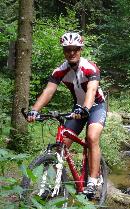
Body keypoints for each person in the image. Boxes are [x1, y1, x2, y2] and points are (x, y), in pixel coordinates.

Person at [27, 32, 107, 197]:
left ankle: (92, 182)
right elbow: (48, 92)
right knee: (62, 145)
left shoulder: (90, 67)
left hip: (96, 106)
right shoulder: (60, 71)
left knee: (92, 137)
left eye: (75, 49)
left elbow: (91, 91)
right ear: (64, 51)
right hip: (78, 107)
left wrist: (85, 108)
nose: (72, 53)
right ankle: (53, 183)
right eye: (67, 49)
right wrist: (35, 110)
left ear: (80, 50)